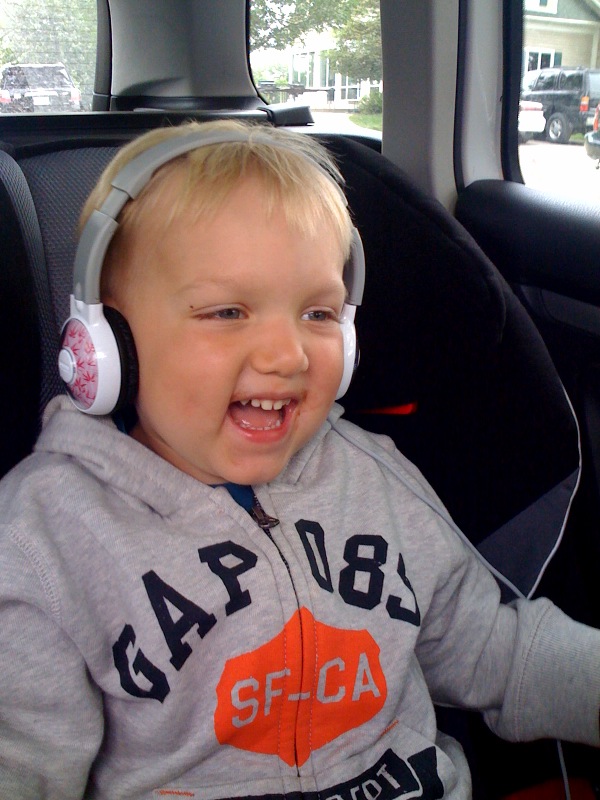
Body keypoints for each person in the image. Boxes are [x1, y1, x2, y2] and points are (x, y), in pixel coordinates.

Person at [0, 118, 598, 800]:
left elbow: (497, 654)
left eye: (318, 314)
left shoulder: (373, 476)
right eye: (227, 312)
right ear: (106, 340)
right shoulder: (45, 541)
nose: (288, 356)